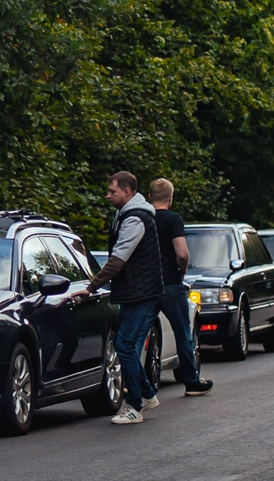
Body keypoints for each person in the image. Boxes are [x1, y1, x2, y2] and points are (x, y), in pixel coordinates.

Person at [84, 171, 166, 424]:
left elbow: (118, 259)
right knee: (125, 345)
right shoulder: (126, 215)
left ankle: (134, 406)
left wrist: (91, 287)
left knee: (125, 345)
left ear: (127, 192)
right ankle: (147, 395)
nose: (108, 196)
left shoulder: (135, 219)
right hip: (137, 291)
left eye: (113, 191)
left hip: (142, 293)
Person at [145, 179, 210, 400]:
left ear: (149, 197)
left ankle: (135, 382)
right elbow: (181, 253)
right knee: (183, 333)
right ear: (170, 198)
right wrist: (181, 271)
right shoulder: (173, 220)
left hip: (147, 285)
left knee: (138, 335)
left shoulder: (142, 219)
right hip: (171, 283)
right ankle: (191, 381)